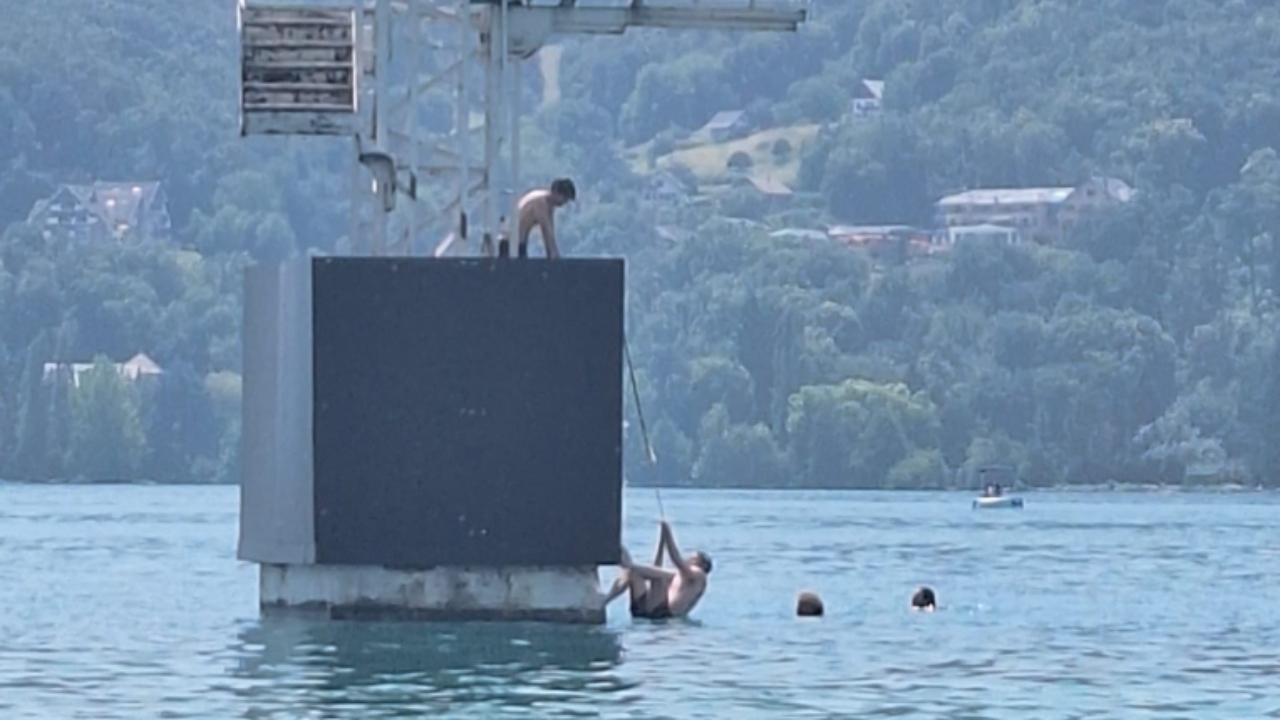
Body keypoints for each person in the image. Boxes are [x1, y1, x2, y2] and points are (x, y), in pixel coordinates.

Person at [601, 520, 712, 620]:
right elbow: (655, 570)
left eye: (693, 559)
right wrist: (662, 540)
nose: (688, 560)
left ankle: (625, 562)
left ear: (701, 564)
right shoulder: (678, 576)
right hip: (646, 610)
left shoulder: (699, 575)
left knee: (659, 576)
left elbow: (676, 559)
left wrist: (668, 533)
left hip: (664, 614)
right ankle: (606, 599)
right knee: (632, 573)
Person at [505, 178, 576, 259]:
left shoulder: (547, 204)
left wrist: (553, 253)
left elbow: (550, 231)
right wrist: (553, 255)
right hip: (511, 244)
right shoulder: (541, 203)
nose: (564, 203)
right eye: (565, 198)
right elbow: (546, 230)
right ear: (556, 192)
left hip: (517, 243)